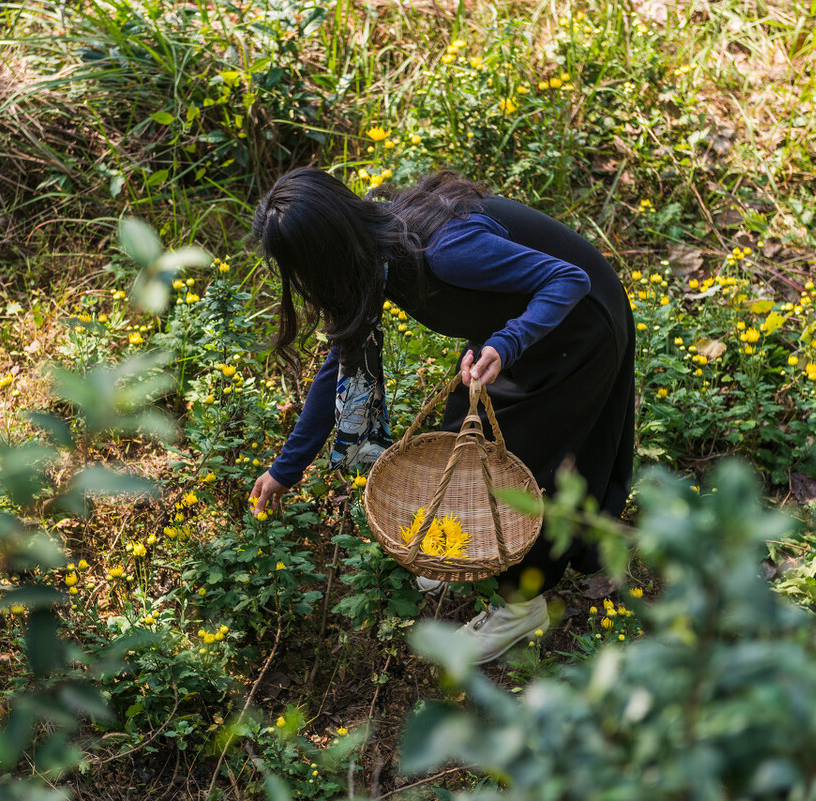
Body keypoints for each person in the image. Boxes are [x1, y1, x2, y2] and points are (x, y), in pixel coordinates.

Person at [249, 167, 635, 663]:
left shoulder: (443, 251)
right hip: (518, 326)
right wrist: (286, 468)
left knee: (528, 465)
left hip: (577, 326)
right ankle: (467, 543)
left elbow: (569, 278)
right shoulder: (376, 255)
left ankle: (523, 604)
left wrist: (506, 342)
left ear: (324, 255)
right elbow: (343, 362)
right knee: (463, 439)